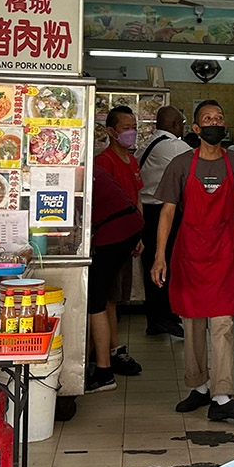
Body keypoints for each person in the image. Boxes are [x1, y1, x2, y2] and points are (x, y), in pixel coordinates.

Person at [151, 99, 234, 421]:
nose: (214, 122)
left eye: (219, 118)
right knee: (193, 323)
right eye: (207, 119)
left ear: (225, 126)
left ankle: (222, 395)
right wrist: (160, 256)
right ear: (196, 129)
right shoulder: (181, 165)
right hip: (189, 251)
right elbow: (167, 212)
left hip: (224, 250)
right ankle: (199, 387)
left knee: (222, 325)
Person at [93, 106, 143, 377]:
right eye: (126, 128)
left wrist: (139, 235)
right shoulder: (105, 161)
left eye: (133, 126)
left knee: (116, 296)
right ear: (111, 132)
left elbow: (137, 198)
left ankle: (112, 350)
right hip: (110, 237)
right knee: (108, 298)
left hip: (128, 235)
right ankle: (112, 350)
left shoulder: (131, 160)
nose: (131, 132)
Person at [86, 165, 144, 392]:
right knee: (102, 296)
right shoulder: (96, 168)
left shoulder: (82, 171)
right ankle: (96, 359)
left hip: (115, 231)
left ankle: (104, 372)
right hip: (129, 224)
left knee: (95, 301)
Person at [136, 105, 189, 338]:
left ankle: (157, 317)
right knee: (164, 263)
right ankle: (163, 318)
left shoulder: (148, 143)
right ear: (176, 125)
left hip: (145, 210)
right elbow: (201, 163)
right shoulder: (175, 146)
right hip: (162, 212)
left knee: (153, 264)